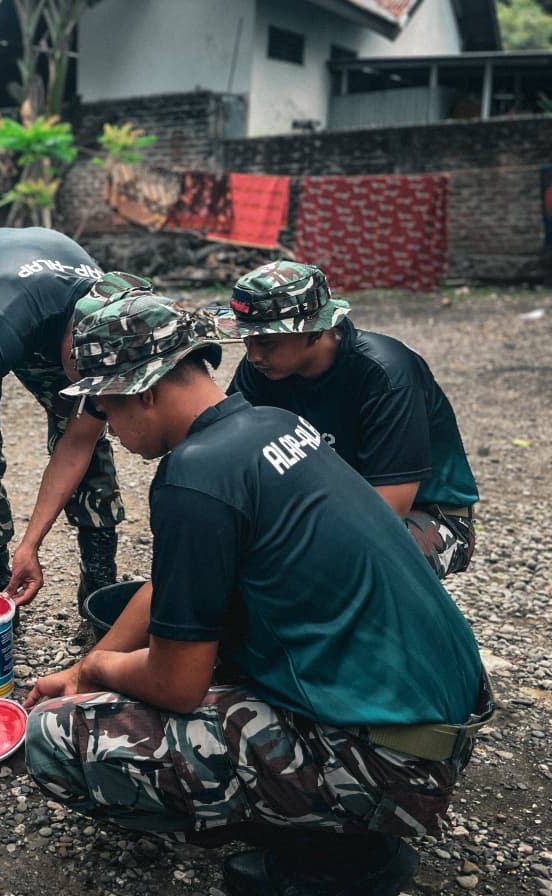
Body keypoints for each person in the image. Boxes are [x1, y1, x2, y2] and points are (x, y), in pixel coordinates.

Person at [24, 291, 490, 896]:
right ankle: (324, 809)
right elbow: (169, 584)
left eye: (107, 409)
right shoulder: (277, 425)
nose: (110, 428)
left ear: (143, 391)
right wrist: (85, 665)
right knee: (205, 646)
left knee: (56, 735)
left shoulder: (194, 476)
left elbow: (176, 683)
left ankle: (338, 851)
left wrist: (94, 670)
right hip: (442, 718)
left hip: (394, 760)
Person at [0, 226, 148, 616]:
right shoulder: (7, 319)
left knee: (91, 440)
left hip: (48, 308)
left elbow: (76, 444)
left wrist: (30, 546)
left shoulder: (108, 329)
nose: (89, 388)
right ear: (71, 347)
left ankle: (99, 582)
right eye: (84, 376)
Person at [225, 260, 479, 578]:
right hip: (323, 505)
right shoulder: (261, 369)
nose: (253, 355)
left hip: (426, 513)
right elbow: (226, 448)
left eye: (267, 342)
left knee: (331, 565)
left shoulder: (386, 374)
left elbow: (388, 512)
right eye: (247, 340)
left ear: (315, 331)